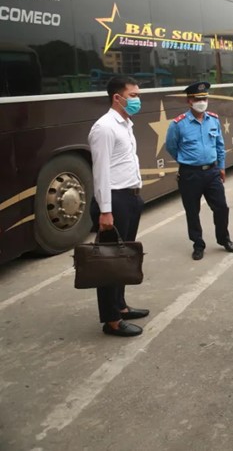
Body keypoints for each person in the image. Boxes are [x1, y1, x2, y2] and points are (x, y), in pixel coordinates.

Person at [88, 76, 150, 337]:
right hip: (114, 201)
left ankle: (121, 306)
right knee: (109, 263)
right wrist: (105, 210)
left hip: (129, 198)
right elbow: (100, 172)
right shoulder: (104, 128)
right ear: (118, 97)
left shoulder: (125, 123)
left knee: (122, 259)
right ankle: (111, 320)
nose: (137, 99)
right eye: (133, 95)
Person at [166, 81, 233, 261]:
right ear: (189, 101)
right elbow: (171, 147)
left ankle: (224, 239)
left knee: (221, 207)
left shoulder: (213, 119)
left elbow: (220, 145)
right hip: (190, 174)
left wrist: (221, 166)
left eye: (205, 98)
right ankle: (198, 244)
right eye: (198, 99)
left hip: (212, 172)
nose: (202, 102)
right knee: (192, 211)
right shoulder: (178, 124)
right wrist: (187, 161)